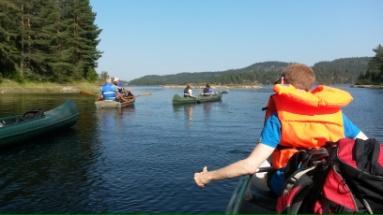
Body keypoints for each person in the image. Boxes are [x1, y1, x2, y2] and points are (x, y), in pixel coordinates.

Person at [194, 64, 368, 196]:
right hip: (331, 182)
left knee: (257, 165)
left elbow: (248, 167)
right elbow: (367, 146)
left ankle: (252, 201)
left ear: (283, 81)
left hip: (292, 184)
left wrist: (207, 177)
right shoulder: (336, 115)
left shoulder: (280, 117)